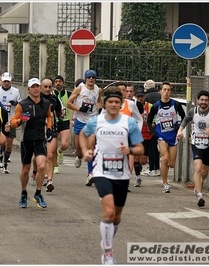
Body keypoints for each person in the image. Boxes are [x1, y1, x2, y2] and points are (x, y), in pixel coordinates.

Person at [80, 86, 144, 265]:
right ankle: (108, 252)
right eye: (110, 102)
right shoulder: (97, 121)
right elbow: (83, 135)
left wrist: (129, 149)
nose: (114, 105)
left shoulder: (128, 123)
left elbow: (140, 148)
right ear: (105, 104)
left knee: (116, 217)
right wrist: (85, 151)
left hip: (122, 175)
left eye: (117, 102)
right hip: (101, 172)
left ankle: (106, 238)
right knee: (108, 212)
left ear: (121, 103)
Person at [10, 78, 53, 209]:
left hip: (40, 139)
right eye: (33, 87)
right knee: (26, 169)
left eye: (37, 86)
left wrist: (50, 128)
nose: (35, 89)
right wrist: (19, 121)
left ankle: (38, 194)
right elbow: (13, 121)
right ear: (28, 90)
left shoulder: (46, 103)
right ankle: (23, 193)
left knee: (41, 166)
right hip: (26, 139)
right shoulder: (22, 104)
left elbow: (49, 116)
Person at [177, 90, 209, 207]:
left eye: (206, 100)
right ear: (198, 100)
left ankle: (198, 185)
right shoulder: (193, 111)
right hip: (196, 143)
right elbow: (185, 120)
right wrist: (180, 130)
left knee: (204, 172)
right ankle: (199, 195)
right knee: (198, 168)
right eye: (202, 100)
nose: (203, 102)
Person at [147, 82, 186, 193]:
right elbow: (149, 121)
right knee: (165, 159)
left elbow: (184, 118)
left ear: (170, 91)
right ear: (160, 91)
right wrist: (153, 132)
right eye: (164, 90)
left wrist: (179, 127)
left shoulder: (176, 105)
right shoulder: (156, 106)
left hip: (173, 135)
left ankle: (164, 162)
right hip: (161, 134)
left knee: (171, 164)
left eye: (168, 90)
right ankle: (165, 184)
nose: (166, 92)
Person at [67, 69, 102, 185]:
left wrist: (100, 109)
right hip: (80, 120)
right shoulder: (80, 88)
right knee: (79, 149)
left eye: (93, 77)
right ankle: (79, 155)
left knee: (90, 147)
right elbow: (68, 103)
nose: (91, 79)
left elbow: (98, 101)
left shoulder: (98, 90)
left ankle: (90, 174)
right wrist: (79, 109)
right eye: (89, 77)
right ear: (86, 79)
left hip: (92, 121)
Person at [40, 77, 63, 192]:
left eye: (50, 87)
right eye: (45, 87)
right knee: (39, 157)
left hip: (51, 128)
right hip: (38, 129)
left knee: (50, 155)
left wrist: (60, 116)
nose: (48, 89)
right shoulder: (36, 98)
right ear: (41, 87)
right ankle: (38, 173)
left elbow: (58, 109)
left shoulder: (54, 98)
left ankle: (49, 181)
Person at [0, 72, 22, 174]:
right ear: (2, 81)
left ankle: (5, 163)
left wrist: (15, 103)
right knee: (2, 141)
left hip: (12, 121)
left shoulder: (16, 91)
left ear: (11, 81)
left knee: (9, 144)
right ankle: (0, 154)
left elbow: (21, 104)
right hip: (0, 121)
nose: (6, 83)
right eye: (4, 81)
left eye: (8, 81)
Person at [133, 88, 154, 186]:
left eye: (141, 96)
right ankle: (138, 177)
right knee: (136, 158)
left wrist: (152, 123)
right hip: (137, 134)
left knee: (144, 161)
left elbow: (154, 117)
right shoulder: (133, 106)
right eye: (138, 97)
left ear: (144, 96)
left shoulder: (149, 106)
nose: (140, 98)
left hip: (146, 135)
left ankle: (139, 165)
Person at [53, 75, 72, 174]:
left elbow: (74, 103)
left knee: (65, 144)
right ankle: (55, 166)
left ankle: (60, 151)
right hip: (54, 122)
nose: (58, 83)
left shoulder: (68, 94)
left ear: (63, 83)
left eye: (60, 81)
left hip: (65, 121)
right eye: (56, 81)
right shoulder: (51, 94)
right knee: (53, 145)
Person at [143, 79, 161, 177]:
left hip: (151, 124)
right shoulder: (159, 96)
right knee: (156, 148)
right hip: (160, 123)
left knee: (151, 147)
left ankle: (152, 169)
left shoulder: (147, 97)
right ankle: (157, 168)